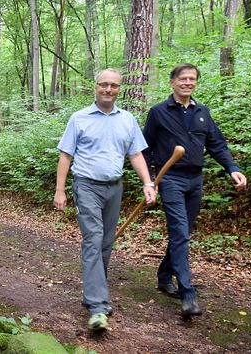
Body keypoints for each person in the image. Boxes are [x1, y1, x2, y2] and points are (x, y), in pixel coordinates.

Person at [54, 68, 156, 332]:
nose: (108, 89)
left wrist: (147, 182)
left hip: (115, 187)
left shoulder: (127, 119)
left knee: (107, 243)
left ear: (119, 89)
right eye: (104, 85)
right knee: (94, 239)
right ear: (95, 86)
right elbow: (66, 155)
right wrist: (60, 190)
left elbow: (135, 154)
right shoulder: (79, 119)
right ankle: (98, 306)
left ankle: (94, 290)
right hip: (86, 186)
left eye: (114, 85)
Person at [142, 63, 247, 319]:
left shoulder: (203, 112)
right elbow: (145, 149)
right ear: (172, 82)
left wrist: (231, 168)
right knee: (180, 232)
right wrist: (150, 180)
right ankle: (187, 292)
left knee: (183, 233)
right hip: (171, 180)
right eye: (183, 79)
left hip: (195, 181)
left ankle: (164, 276)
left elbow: (216, 144)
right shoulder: (158, 112)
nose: (187, 82)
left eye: (192, 79)